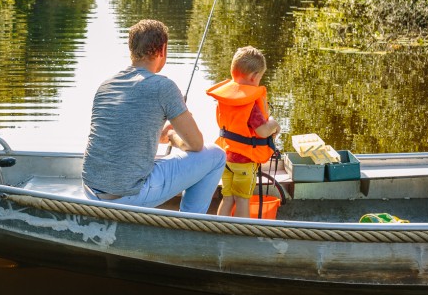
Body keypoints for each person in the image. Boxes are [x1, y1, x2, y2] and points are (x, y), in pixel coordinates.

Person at [82, 19, 226, 214]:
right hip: (127, 196)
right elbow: (196, 144)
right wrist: (173, 138)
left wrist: (159, 135)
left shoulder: (106, 86)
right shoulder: (163, 86)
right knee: (216, 155)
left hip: (91, 191)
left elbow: (120, 136)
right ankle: (191, 223)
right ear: (163, 50)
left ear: (131, 49)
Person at [206, 46, 281, 218]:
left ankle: (220, 229)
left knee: (227, 198)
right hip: (245, 163)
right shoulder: (250, 103)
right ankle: (242, 233)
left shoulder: (225, 98)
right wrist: (274, 124)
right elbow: (262, 131)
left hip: (227, 158)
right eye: (260, 77)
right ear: (254, 77)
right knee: (242, 200)